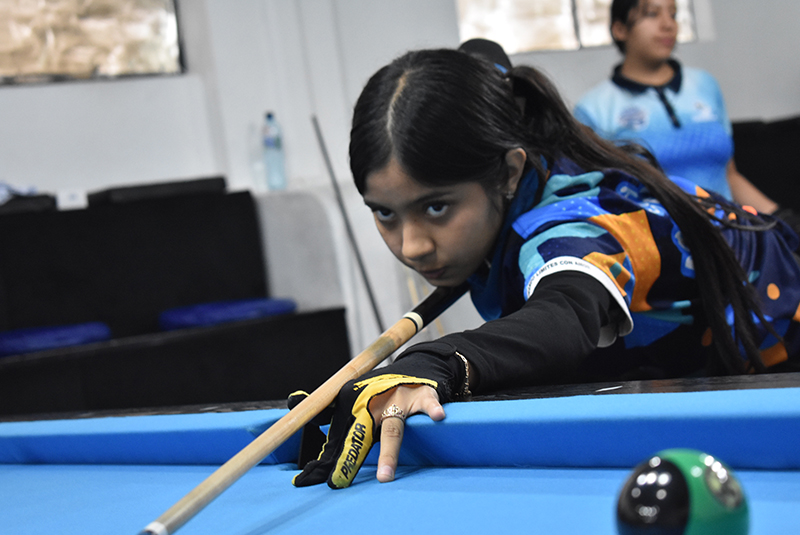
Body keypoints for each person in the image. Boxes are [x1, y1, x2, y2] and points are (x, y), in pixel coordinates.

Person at [290, 40, 800, 491]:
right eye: (385, 213)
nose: (412, 245)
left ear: (509, 173)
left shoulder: (567, 223)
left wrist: (437, 361)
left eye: (437, 206)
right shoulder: (517, 154)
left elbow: (566, 314)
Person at [573, 0, 783, 217]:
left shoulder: (705, 84)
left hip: (727, 229)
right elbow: (595, 199)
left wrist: (782, 218)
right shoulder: (593, 109)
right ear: (620, 29)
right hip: (655, 235)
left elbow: (729, 176)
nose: (668, 25)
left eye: (673, 14)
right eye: (652, 14)